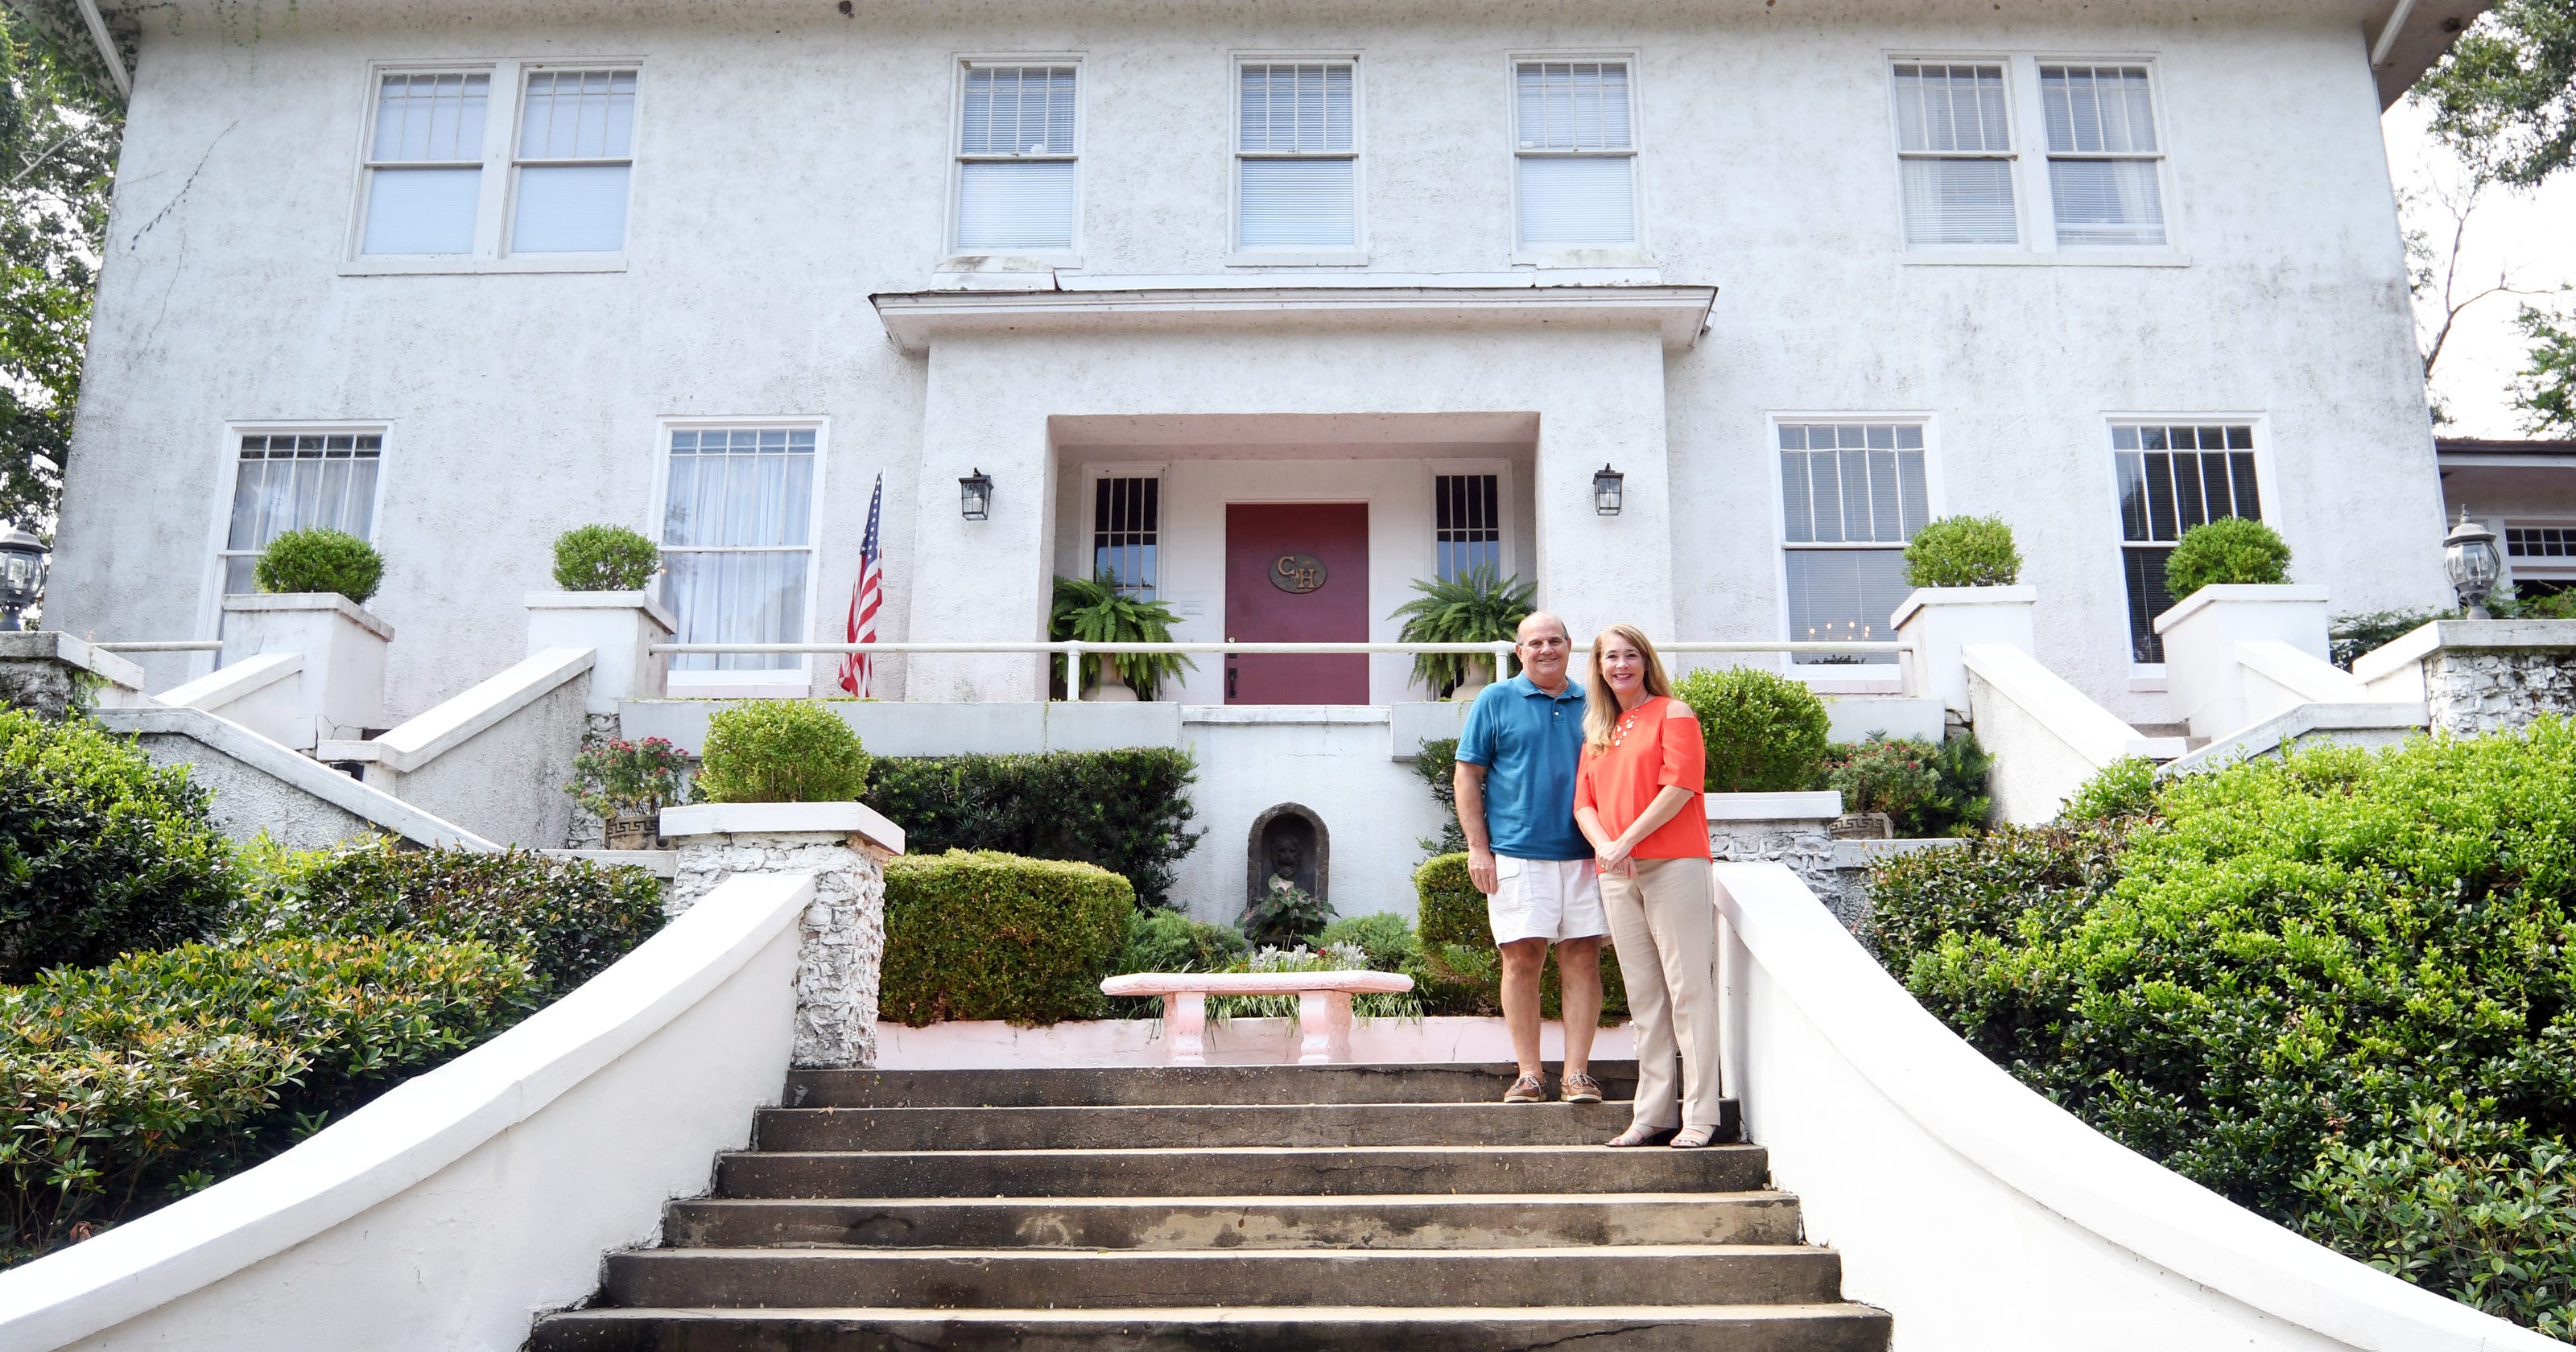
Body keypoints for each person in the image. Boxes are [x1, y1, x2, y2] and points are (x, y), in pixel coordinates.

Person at [1572, 624, 1720, 1148]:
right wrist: (1609, 848)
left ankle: (1700, 1115)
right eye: (1610, 657)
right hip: (1618, 872)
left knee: (1687, 991)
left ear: (1645, 660)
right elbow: (1583, 805)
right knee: (1645, 998)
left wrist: (1625, 841)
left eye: (1630, 655)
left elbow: (1680, 786)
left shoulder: (1673, 714)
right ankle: (1653, 1113)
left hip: (1674, 865)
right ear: (1598, 667)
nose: (1620, 665)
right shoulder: (1598, 730)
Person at [1454, 611, 1606, 1105]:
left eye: (1555, 641)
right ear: (1519, 651)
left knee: (1582, 958)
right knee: (1522, 959)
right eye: (1535, 642)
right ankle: (1530, 1074)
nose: (1546, 649)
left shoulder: (1596, 701)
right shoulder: (1495, 700)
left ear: (1569, 645)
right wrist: (1479, 848)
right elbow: (1466, 778)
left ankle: (1577, 1074)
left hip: (1588, 853)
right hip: (1517, 853)